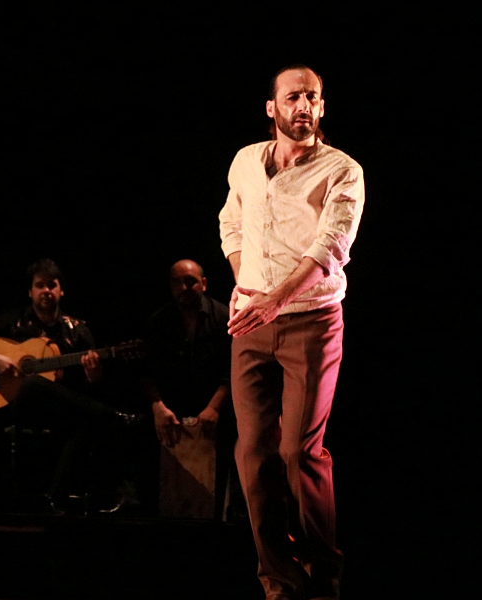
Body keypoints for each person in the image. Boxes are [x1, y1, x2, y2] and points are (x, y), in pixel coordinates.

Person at [219, 64, 365, 600]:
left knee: (299, 452)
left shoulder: (343, 170)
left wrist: (275, 300)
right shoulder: (245, 162)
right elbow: (230, 223)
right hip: (251, 319)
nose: (304, 105)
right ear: (272, 107)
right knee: (252, 453)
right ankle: (278, 578)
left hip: (311, 319)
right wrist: (247, 284)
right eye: (294, 96)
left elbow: (331, 245)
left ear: (321, 107)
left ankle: (324, 570)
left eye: (313, 97)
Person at [0, 259, 121, 512]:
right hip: (18, 405)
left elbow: (85, 391)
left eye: (52, 285)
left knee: (85, 420)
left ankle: (55, 497)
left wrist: (93, 376)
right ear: (30, 291)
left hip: (60, 409)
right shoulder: (13, 322)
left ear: (61, 291)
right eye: (40, 285)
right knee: (32, 383)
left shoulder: (78, 331)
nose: (46, 290)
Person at [142, 259, 233, 519]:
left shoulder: (223, 317)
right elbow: (145, 373)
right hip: (171, 410)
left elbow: (232, 372)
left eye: (191, 280)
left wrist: (214, 408)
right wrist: (158, 407)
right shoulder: (159, 322)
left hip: (215, 409)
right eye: (177, 282)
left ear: (204, 284)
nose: (184, 286)